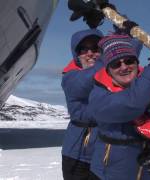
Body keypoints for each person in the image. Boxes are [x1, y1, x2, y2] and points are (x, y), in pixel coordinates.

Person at [86, 34, 150, 180]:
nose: (124, 67)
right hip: (110, 173)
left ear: (136, 62)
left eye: (129, 61)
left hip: (149, 170)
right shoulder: (98, 97)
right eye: (116, 64)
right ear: (108, 70)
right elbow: (133, 103)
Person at [61, 29, 104, 180]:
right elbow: (88, 80)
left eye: (95, 48)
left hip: (105, 154)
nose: (90, 53)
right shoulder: (70, 77)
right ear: (77, 54)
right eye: (84, 49)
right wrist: (111, 56)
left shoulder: (115, 74)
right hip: (77, 154)